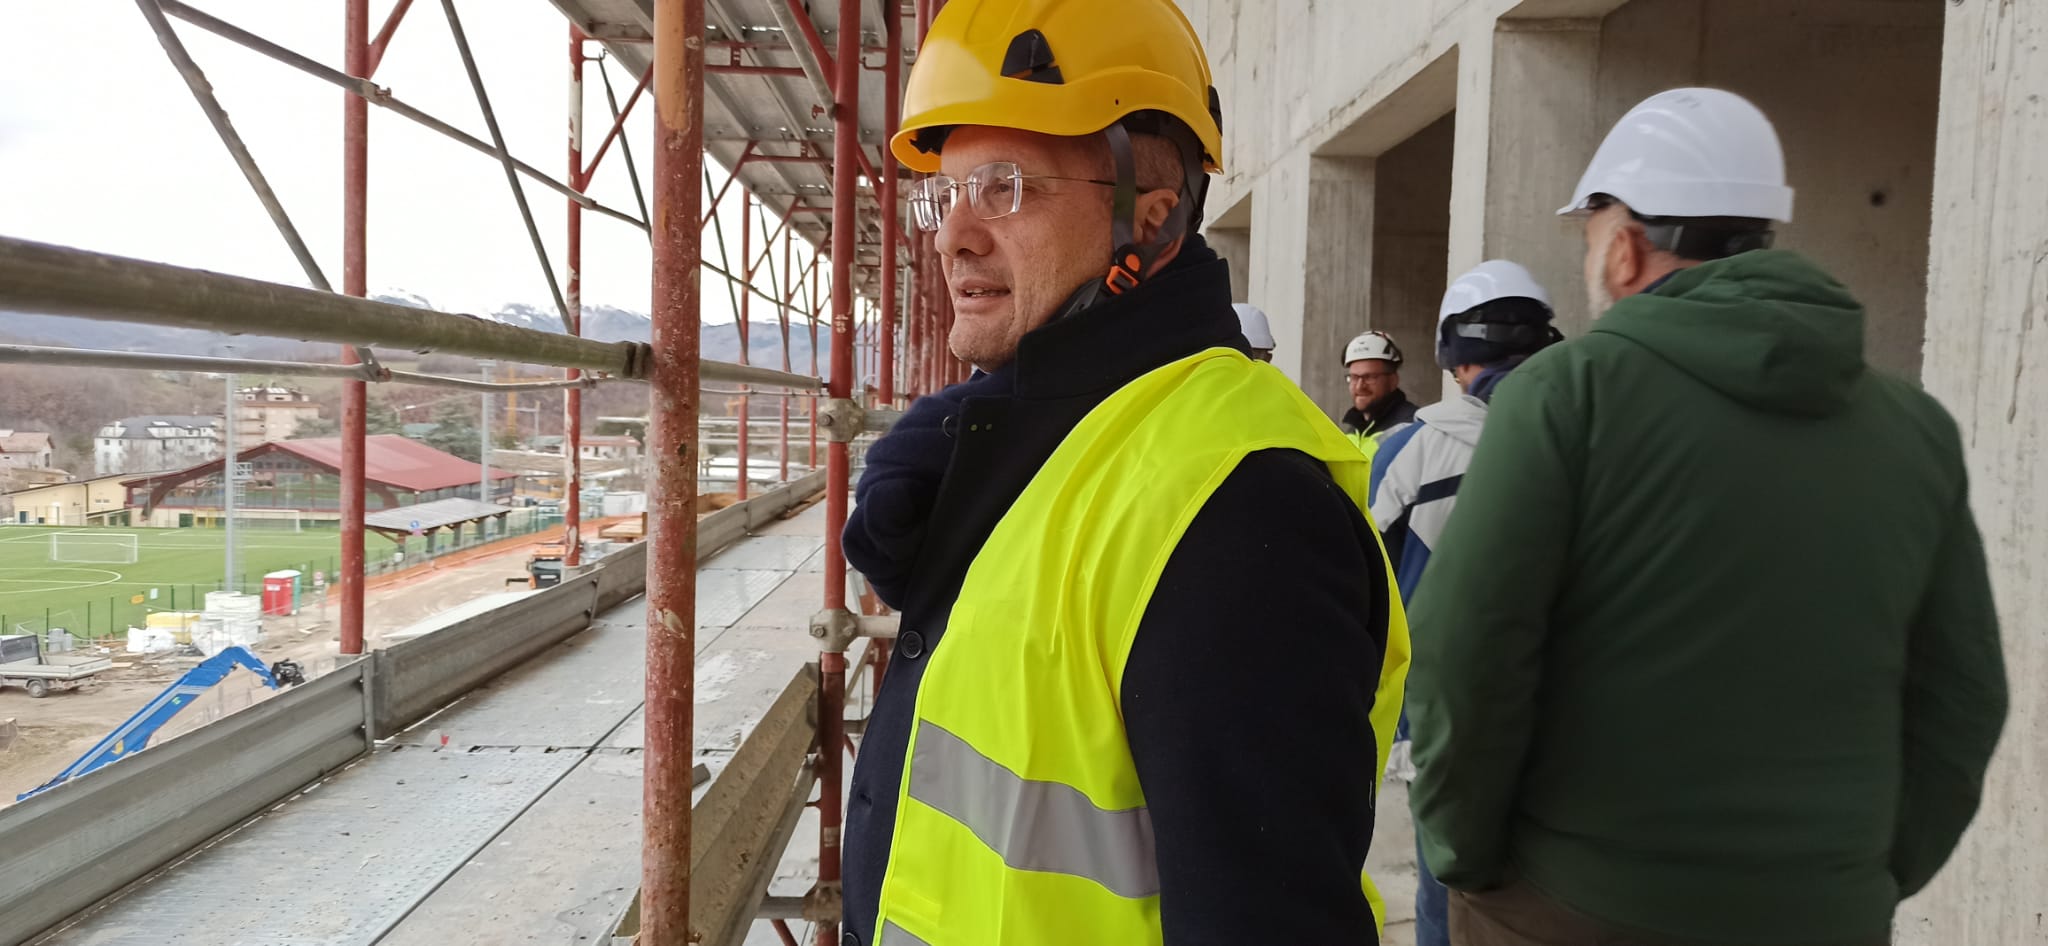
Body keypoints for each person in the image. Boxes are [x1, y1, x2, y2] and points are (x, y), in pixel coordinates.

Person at [837, 1, 1410, 943]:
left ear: (1153, 214)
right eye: (947, 195)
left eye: (1005, 187)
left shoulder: (1239, 514)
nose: (951, 237)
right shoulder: (1042, 442)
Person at [1407, 87, 2009, 946]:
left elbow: (1468, 652)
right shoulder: (1916, 430)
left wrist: (1462, 851)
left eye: (1591, 233)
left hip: (1576, 907)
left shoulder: (1567, 395)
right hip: (1823, 914)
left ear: (1625, 247)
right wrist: (1860, 878)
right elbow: (1964, 695)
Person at [1367, 259, 1561, 946]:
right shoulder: (1592, 435)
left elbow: (1370, 588)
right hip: (1562, 712)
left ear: (1451, 353)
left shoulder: (1408, 452)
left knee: (1444, 893)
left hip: (1441, 717)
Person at [1340, 330, 1418, 459]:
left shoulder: (1412, 428)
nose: (1359, 386)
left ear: (1393, 380)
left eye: (1369, 377)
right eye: (1354, 377)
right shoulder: (1351, 432)